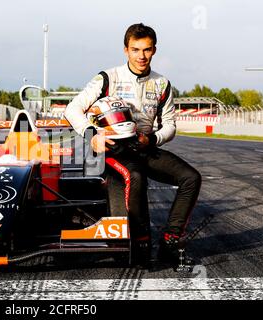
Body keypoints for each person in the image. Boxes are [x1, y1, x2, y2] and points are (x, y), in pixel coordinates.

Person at [64, 23, 202, 268]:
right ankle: (140, 242)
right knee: (135, 176)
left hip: (144, 146)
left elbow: (170, 125)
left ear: (154, 50)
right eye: (136, 49)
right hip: (111, 149)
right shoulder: (107, 77)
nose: (141, 56)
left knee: (191, 178)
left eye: (147, 50)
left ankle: (170, 242)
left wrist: (153, 139)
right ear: (125, 50)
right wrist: (91, 134)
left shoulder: (162, 84)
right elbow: (72, 108)